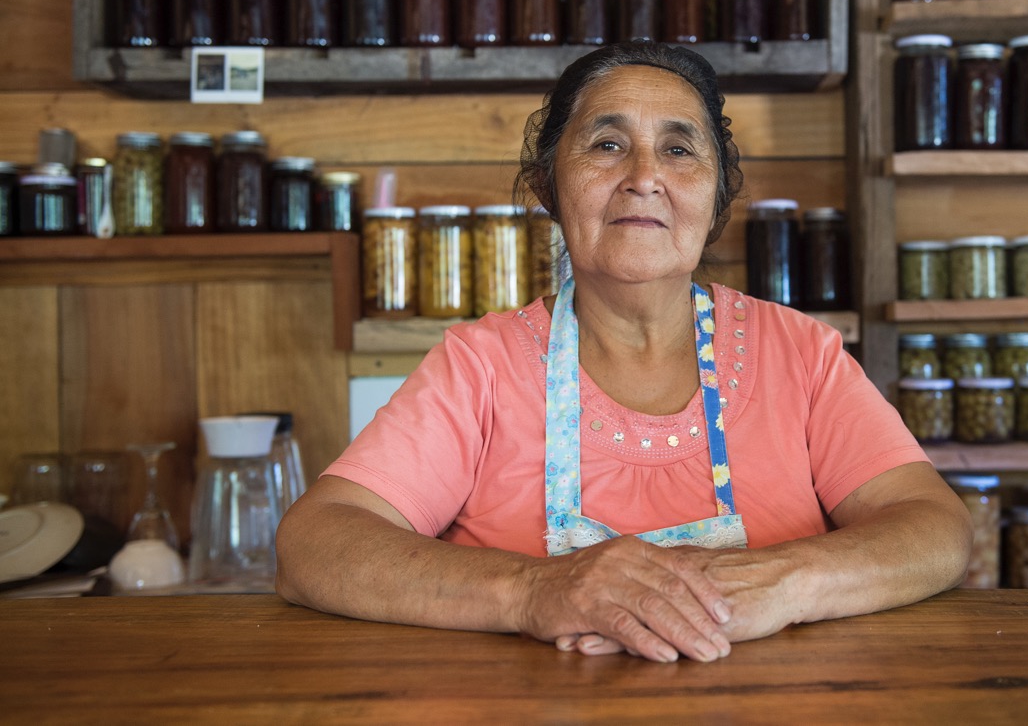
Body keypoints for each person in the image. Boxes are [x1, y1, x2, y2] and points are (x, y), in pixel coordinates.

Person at [276, 41, 972, 663]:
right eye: (607, 144)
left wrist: (786, 581)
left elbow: (934, 528)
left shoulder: (802, 355)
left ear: (716, 191)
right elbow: (314, 545)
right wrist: (534, 590)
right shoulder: (480, 366)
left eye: (678, 148)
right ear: (551, 182)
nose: (644, 175)